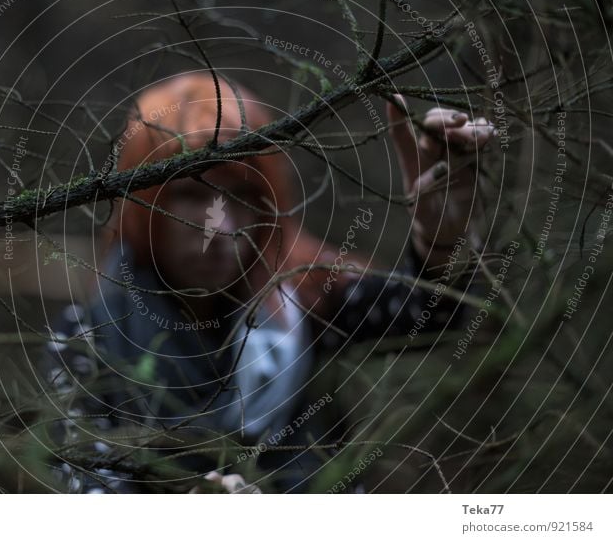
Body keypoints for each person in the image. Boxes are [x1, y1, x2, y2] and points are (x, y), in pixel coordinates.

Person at [38, 72, 493, 493]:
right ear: (142, 203)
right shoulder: (85, 343)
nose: (220, 226)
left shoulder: (306, 294)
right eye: (191, 194)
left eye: (242, 196)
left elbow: (434, 316)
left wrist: (441, 239)